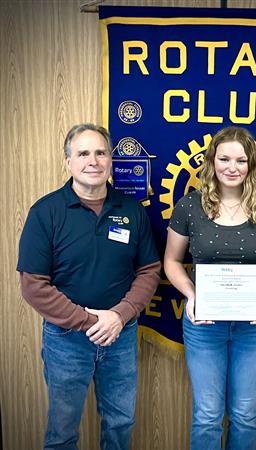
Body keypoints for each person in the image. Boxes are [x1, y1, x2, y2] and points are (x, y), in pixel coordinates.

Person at [17, 123, 161, 450]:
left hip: (120, 335)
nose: (93, 161)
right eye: (83, 153)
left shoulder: (131, 210)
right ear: (68, 161)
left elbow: (149, 270)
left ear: (110, 160)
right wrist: (90, 321)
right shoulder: (45, 212)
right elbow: (33, 285)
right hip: (66, 339)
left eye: (100, 153)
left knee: (121, 423)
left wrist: (119, 316)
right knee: (62, 431)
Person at [164, 126, 256, 450]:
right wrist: (191, 294)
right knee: (207, 414)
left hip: (255, 324)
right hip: (204, 324)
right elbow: (171, 261)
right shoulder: (190, 206)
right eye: (224, 159)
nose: (232, 167)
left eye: (240, 160)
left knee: (244, 413)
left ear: (252, 164)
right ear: (211, 161)